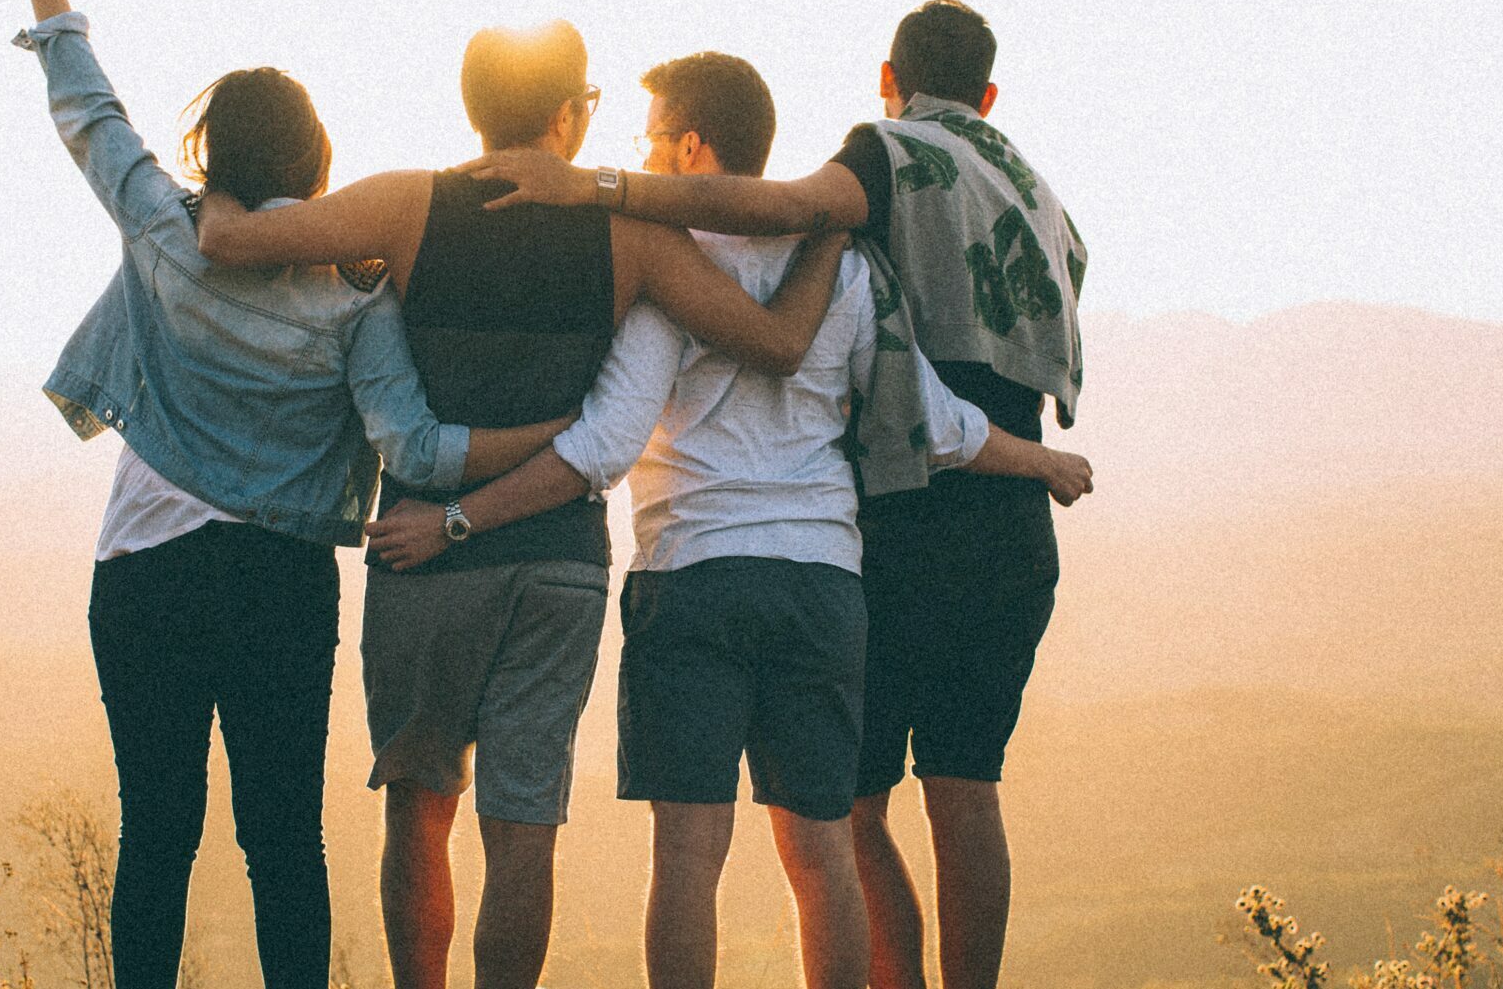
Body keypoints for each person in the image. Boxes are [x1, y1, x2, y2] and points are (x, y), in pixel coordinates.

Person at [371, 51, 1092, 989]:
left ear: (691, 146)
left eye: (653, 136)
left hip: (693, 575)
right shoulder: (845, 266)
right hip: (824, 584)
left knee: (688, 853)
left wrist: (457, 520)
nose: (642, 153)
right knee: (822, 849)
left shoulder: (669, 270)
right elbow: (939, 425)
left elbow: (602, 446)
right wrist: (1042, 461)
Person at [0, 0, 573, 989]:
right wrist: (558, 433)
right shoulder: (355, 292)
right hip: (279, 583)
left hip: (144, 570)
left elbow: (89, 113)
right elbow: (417, 452)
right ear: (315, 159)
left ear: (213, 154)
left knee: (157, 834)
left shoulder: (164, 228)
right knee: (281, 844)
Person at [192, 27, 848, 989]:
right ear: (569, 114)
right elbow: (774, 340)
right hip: (561, 563)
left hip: (423, 552)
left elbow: (230, 240)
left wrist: (209, 183)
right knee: (523, 820)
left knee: (418, 803)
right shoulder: (633, 237)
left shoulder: (408, 203)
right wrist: (833, 226)